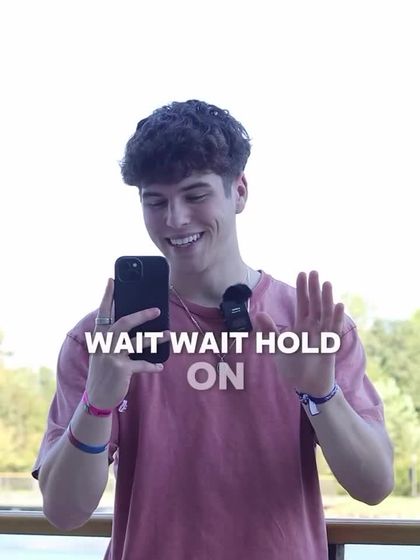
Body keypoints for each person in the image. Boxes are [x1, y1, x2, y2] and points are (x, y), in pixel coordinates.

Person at [32, 100, 394, 560]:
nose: (175, 218)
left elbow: (374, 485)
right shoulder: (103, 339)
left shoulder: (311, 326)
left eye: (195, 195)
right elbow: (64, 512)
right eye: (155, 201)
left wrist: (320, 393)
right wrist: (97, 401)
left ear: (239, 192)